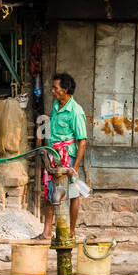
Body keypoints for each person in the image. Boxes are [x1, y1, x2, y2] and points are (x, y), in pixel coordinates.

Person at [41, 72, 88, 241]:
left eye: (55, 88)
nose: (52, 90)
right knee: (49, 191)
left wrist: (74, 169)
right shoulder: (56, 105)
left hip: (68, 158)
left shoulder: (76, 112)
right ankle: (46, 232)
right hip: (54, 155)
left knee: (73, 194)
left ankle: (71, 232)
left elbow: (82, 142)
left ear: (65, 90)